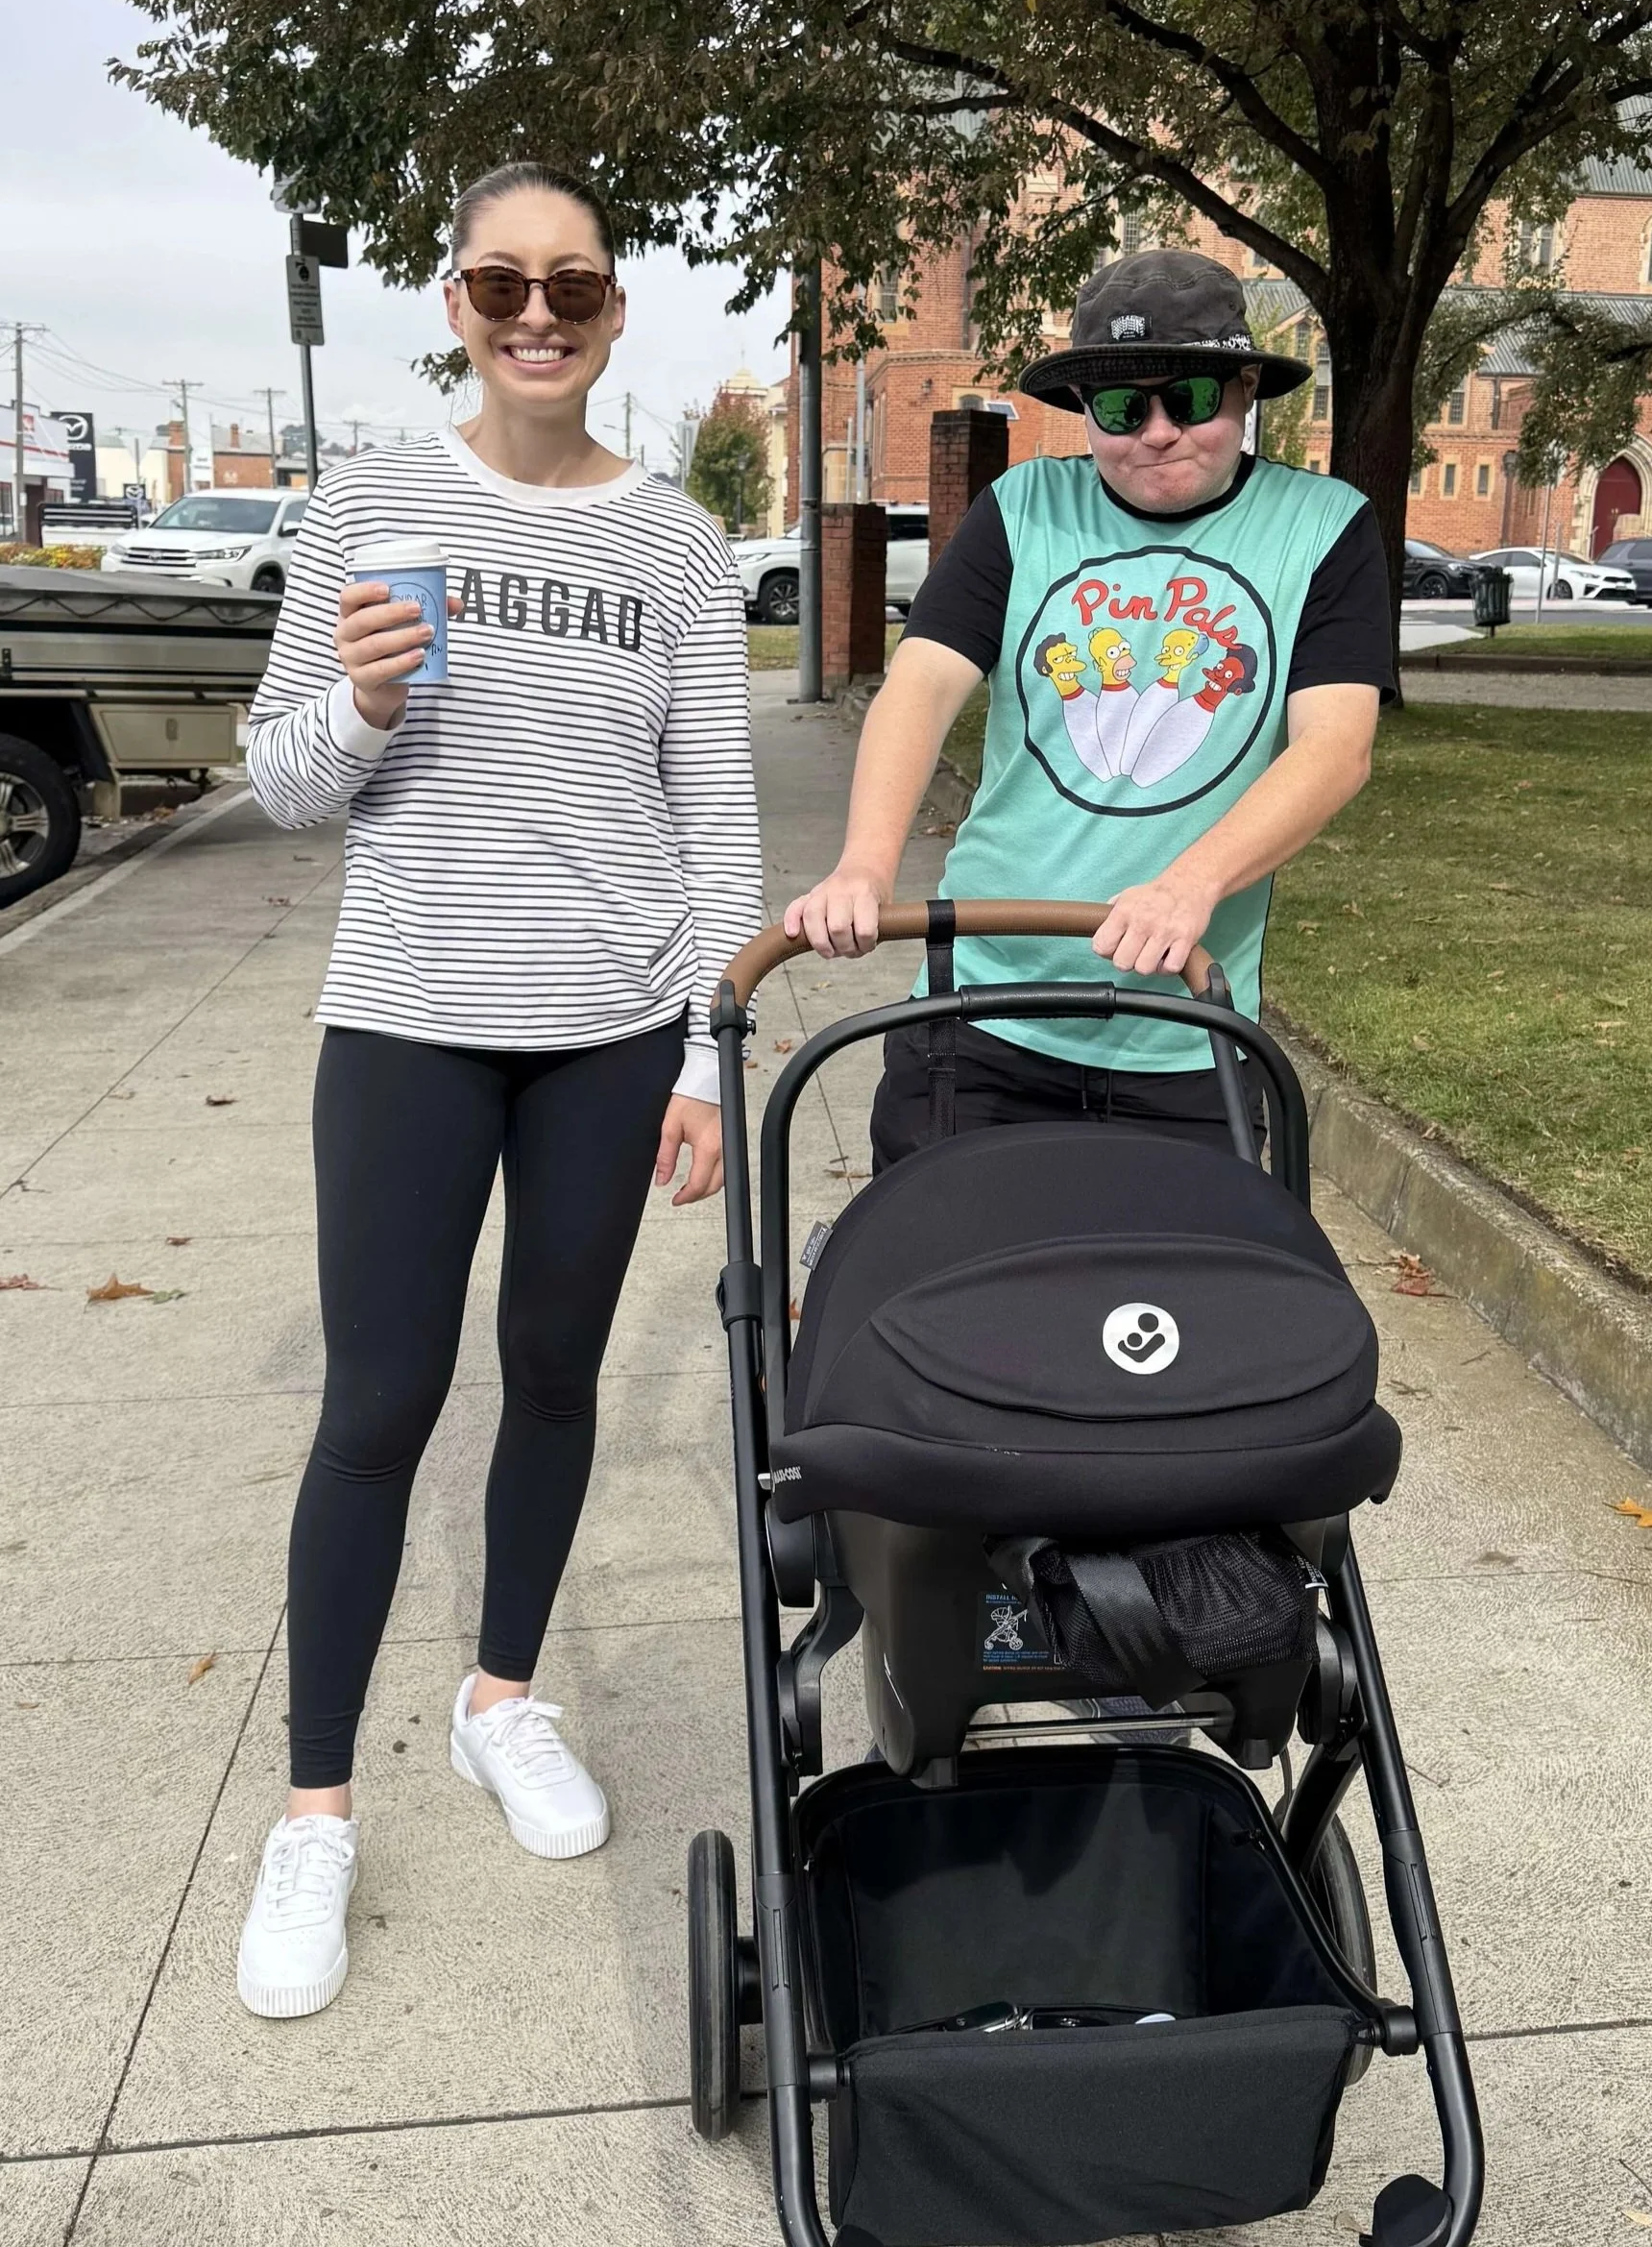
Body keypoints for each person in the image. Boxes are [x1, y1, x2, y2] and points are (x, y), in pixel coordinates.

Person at [234, 162, 761, 2017]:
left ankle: (501, 1697)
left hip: (608, 1033)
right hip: (410, 1019)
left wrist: (704, 1043)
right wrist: (364, 705)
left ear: (618, 310)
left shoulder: (685, 547)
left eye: (577, 285)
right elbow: (285, 786)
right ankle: (313, 1813)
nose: (539, 312)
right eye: (500, 282)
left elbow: (713, 810)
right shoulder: (372, 503)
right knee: (380, 1400)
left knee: (555, 1374)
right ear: (455, 300)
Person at [787, 251, 1393, 1171]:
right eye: (1120, 409)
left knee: (1169, 1312)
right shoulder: (1024, 506)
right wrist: (865, 866)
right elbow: (920, 684)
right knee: (942, 1295)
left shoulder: (1323, 526)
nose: (1155, 433)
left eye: (1187, 398)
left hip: (1180, 1031)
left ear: (1240, 391)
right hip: (982, 1013)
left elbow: (1335, 747)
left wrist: (1188, 885)